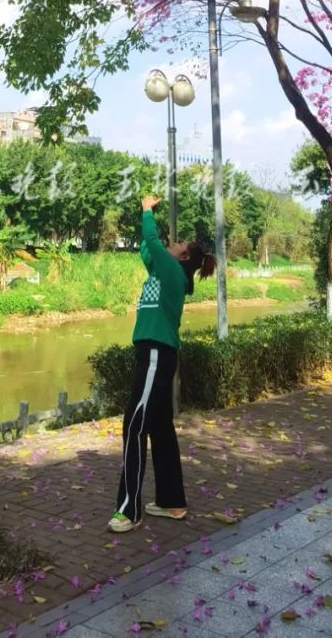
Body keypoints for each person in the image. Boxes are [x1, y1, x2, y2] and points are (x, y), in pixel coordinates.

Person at [108, 193, 216, 532]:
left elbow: (153, 242)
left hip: (155, 353)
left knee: (134, 424)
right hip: (155, 353)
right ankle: (172, 502)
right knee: (159, 428)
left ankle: (129, 511)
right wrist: (146, 224)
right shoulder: (165, 270)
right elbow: (146, 249)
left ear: (183, 256)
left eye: (179, 242)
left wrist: (146, 210)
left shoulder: (172, 273)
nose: (173, 243)